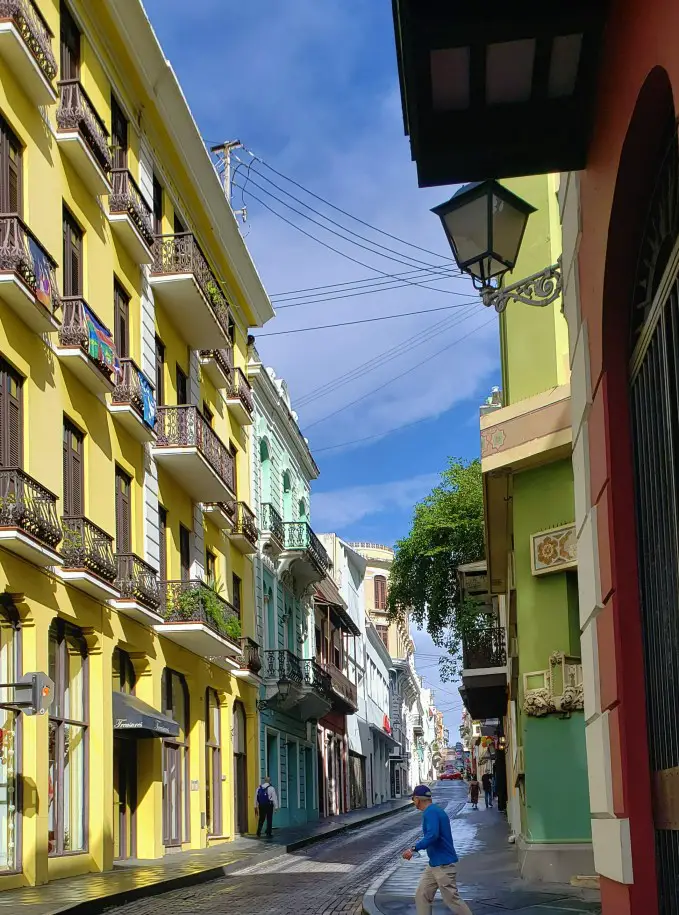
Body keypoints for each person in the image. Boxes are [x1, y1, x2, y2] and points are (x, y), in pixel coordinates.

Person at [402, 785, 473, 915]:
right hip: (434, 864)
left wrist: (414, 849)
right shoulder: (434, 810)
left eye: (413, 799)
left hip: (443, 865)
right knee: (422, 895)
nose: (413, 802)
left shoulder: (431, 812)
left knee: (452, 900)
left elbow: (432, 835)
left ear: (418, 799)